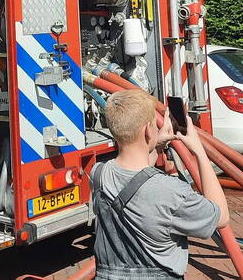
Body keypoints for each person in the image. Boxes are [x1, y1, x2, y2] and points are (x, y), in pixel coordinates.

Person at [91, 89, 229, 280]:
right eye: (154, 128)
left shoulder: (98, 174)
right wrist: (199, 151)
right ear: (148, 130)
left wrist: (157, 143)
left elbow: (136, 175)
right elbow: (220, 217)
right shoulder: (171, 192)